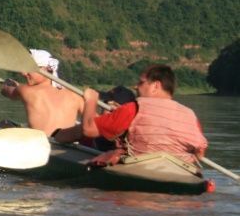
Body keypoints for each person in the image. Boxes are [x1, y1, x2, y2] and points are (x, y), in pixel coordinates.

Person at [52, 64, 208, 168]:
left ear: (155, 86)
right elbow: (200, 154)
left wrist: (91, 101)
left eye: (141, 82)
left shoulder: (134, 108)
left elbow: (88, 130)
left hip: (142, 168)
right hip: (180, 169)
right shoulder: (190, 115)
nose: (136, 86)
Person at [0, 48, 83, 135]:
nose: (23, 73)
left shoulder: (26, 91)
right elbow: (94, 122)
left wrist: (8, 83)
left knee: (4, 124)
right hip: (66, 145)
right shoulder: (75, 95)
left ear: (44, 69)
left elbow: (5, 90)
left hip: (42, 145)